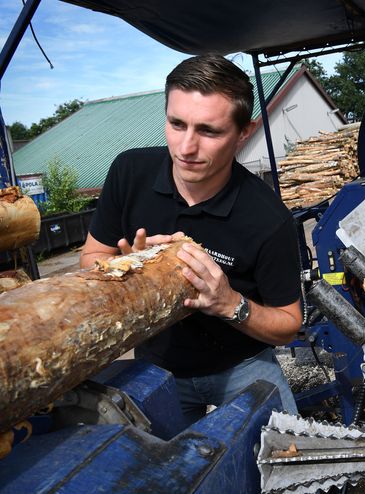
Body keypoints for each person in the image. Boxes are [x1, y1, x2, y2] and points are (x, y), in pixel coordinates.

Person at [80, 54, 303, 423]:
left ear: (243, 132)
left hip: (240, 364)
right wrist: (122, 271)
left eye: (208, 131)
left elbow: (289, 324)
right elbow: (91, 256)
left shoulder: (268, 218)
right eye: (176, 124)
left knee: (286, 461)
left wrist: (230, 303)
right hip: (156, 366)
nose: (185, 148)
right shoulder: (128, 172)